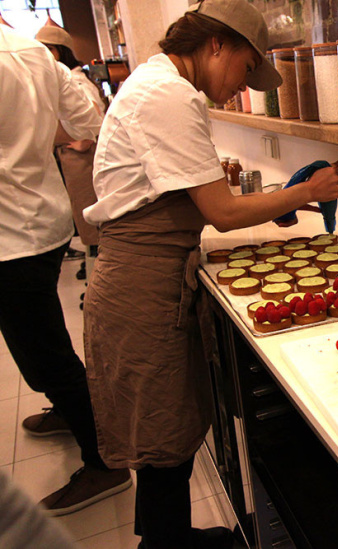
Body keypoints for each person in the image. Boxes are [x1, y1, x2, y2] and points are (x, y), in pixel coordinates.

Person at [82, 1, 338, 547]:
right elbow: (221, 214)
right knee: (161, 439)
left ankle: (166, 536)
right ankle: (166, 542)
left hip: (151, 274)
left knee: (167, 434)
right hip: (141, 284)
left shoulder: (164, 85)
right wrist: (303, 193)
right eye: (247, 67)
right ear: (217, 43)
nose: (241, 84)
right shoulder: (168, 94)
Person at [0, 23, 132, 516]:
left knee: (44, 354)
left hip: (9, 238)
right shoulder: (35, 55)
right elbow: (89, 120)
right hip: (45, 219)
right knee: (45, 339)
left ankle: (105, 462)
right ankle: (67, 409)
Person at [36, 25, 105, 281]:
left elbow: (94, 118)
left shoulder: (74, 79)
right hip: (73, 159)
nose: (43, 54)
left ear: (60, 51)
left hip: (81, 160)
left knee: (89, 218)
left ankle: (97, 275)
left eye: (48, 49)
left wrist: (81, 141)